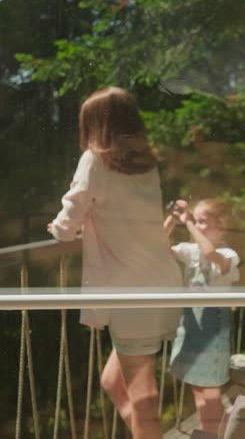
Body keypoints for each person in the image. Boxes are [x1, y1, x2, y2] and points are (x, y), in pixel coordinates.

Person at [47, 87, 182, 439]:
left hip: (132, 292)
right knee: (113, 382)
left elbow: (73, 212)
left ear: (95, 124)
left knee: (142, 396)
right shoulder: (146, 164)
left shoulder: (95, 159)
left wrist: (60, 230)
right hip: (160, 282)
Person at [164, 198, 240, 433]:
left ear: (221, 227)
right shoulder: (190, 250)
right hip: (191, 327)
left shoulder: (228, 254)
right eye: (196, 221)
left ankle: (211, 433)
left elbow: (210, 253)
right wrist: (172, 219)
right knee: (197, 386)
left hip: (212, 332)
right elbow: (156, 245)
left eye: (203, 222)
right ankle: (211, 433)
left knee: (211, 391)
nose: (198, 225)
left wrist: (188, 224)